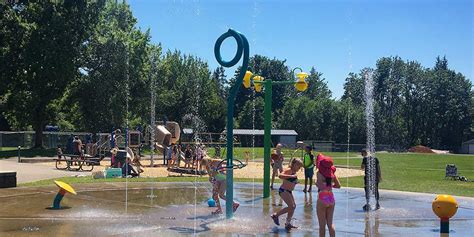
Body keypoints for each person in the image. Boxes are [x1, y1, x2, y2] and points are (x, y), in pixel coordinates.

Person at [270, 157, 303, 231]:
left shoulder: (294, 172)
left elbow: (290, 181)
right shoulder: (289, 170)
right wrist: (291, 176)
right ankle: (275, 215)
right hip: (283, 190)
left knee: (293, 206)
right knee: (291, 206)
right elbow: (280, 175)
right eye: (298, 166)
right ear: (294, 164)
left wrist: (295, 181)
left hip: (289, 191)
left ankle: (288, 223)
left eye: (300, 166)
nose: (299, 168)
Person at [316, 156, 341, 237]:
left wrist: (315, 183)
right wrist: (330, 186)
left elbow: (320, 187)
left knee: (322, 225)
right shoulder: (332, 173)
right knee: (330, 224)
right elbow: (338, 185)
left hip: (323, 197)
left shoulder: (319, 173)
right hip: (330, 198)